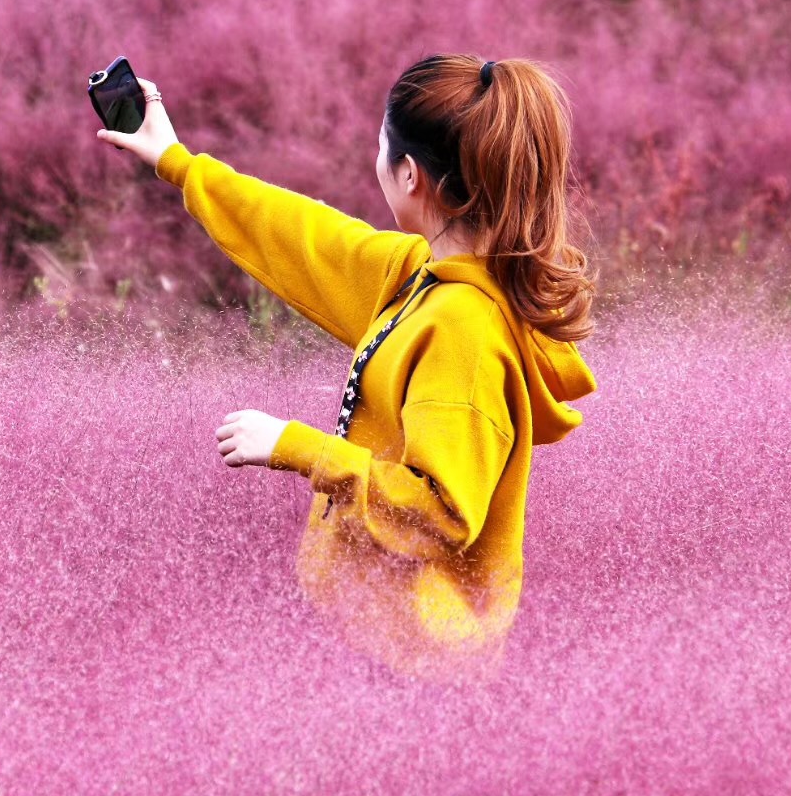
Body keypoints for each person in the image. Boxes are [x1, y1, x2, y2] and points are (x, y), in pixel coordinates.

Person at [93, 53, 598, 683]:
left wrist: (298, 447)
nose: (376, 158)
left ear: (410, 174)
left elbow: (441, 511)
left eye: (381, 145)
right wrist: (177, 163)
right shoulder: (422, 275)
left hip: (415, 670)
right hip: (373, 644)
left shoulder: (463, 333)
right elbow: (306, 238)